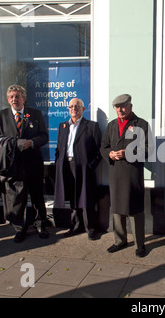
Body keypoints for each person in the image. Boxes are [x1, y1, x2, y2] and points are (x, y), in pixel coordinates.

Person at [0, 84, 49, 242]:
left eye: (18, 96)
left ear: (24, 98)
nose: (15, 99)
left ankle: (40, 224)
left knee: (37, 196)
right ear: (8, 100)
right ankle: (19, 228)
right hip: (13, 166)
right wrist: (15, 143)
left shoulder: (35, 114)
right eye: (12, 97)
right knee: (16, 198)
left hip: (34, 164)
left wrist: (32, 142)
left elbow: (44, 136)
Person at [100, 94, 151, 258]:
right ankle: (119, 240)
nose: (119, 110)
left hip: (132, 173)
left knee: (135, 209)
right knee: (116, 208)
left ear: (130, 106)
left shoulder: (141, 124)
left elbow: (148, 150)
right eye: (116, 107)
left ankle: (139, 244)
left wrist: (127, 153)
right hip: (115, 173)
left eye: (122, 106)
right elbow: (103, 146)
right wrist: (110, 154)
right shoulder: (112, 125)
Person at [54, 98, 102, 240]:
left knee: (86, 196)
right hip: (67, 166)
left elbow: (99, 149)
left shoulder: (91, 126)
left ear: (82, 109)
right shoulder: (63, 126)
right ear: (68, 109)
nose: (73, 108)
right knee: (73, 197)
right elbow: (59, 147)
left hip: (84, 167)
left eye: (77, 106)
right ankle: (76, 225)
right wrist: (58, 162)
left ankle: (91, 228)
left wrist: (90, 165)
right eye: (71, 106)